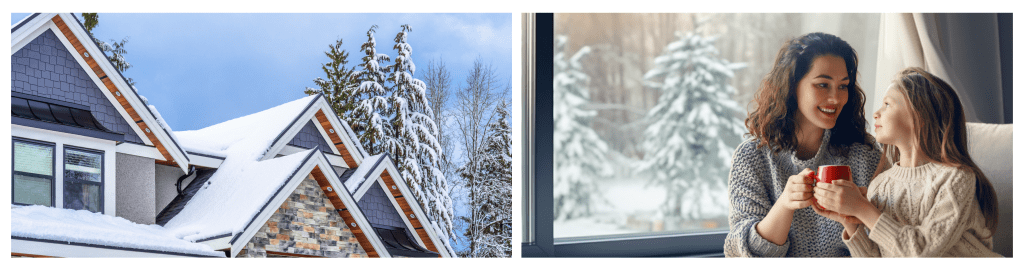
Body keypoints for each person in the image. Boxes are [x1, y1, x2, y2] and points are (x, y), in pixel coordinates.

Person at [812, 68, 1001, 257]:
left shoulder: (956, 178)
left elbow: (922, 252)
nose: (876, 113)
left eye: (887, 104)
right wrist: (851, 221)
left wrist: (863, 208)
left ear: (920, 116)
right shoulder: (880, 185)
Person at [724, 32, 881, 257]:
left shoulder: (865, 155)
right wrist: (785, 204)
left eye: (843, 86)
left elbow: (886, 249)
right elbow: (739, 254)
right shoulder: (752, 157)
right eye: (823, 85)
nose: (836, 98)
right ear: (791, 85)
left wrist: (855, 215)